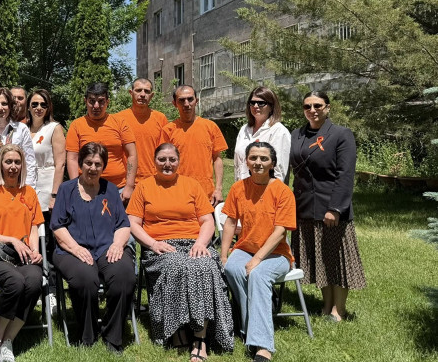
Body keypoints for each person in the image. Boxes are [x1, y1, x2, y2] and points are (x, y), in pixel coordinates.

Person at [127, 143, 233, 360]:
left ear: (178, 161)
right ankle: (177, 329)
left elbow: (207, 220)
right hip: (161, 246)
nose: (167, 164)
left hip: (194, 242)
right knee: (177, 265)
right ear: (154, 161)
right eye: (162, 159)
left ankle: (200, 338)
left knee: (204, 265)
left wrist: (201, 244)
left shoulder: (191, 185)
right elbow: (133, 223)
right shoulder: (144, 187)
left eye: (172, 160)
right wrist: (153, 244)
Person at [50, 142, 135, 354]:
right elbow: (57, 226)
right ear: (80, 164)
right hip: (71, 250)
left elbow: (123, 224)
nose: (93, 168)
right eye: (88, 163)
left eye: (98, 164)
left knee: (124, 276)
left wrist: (117, 244)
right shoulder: (66, 189)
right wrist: (75, 248)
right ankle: (88, 334)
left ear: (103, 166)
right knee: (85, 279)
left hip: (107, 247)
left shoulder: (111, 190)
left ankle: (113, 336)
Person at [289, 91, 366, 322]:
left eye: (318, 105)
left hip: (330, 207)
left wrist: (336, 208)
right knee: (318, 258)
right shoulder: (296, 134)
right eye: (307, 106)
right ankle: (326, 304)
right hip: (304, 206)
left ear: (328, 108)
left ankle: (338, 310)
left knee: (336, 259)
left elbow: (345, 174)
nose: (312, 110)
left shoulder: (341, 134)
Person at [221, 142, 296, 362]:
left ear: (273, 163)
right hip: (245, 248)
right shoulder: (238, 188)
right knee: (232, 269)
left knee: (258, 275)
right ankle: (248, 329)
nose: (258, 162)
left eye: (264, 158)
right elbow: (230, 222)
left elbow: (280, 232)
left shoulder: (283, 191)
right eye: (253, 158)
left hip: (277, 254)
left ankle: (263, 347)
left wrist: (257, 259)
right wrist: (224, 255)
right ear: (246, 161)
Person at [0, 144, 44, 362]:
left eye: (17, 162)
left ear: (22, 165)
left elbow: (34, 227)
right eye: (8, 162)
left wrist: (35, 251)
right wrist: (12, 239)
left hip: (24, 257)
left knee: (34, 282)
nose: (13, 166)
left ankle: (8, 341)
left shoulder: (29, 193)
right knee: (15, 282)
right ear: (0, 165)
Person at [65, 82, 137, 203]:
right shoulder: (77, 125)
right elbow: (72, 158)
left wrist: (129, 186)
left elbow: (132, 154)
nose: (96, 106)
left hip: (118, 189)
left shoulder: (120, 123)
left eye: (101, 101)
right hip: (86, 190)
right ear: (85, 101)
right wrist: (76, 188)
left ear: (107, 102)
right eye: (92, 101)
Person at [161, 85, 228, 205]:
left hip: (206, 194)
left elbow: (217, 159)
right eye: (181, 100)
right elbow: (163, 164)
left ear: (196, 101)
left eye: (190, 99)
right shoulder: (168, 130)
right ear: (174, 103)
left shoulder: (210, 127)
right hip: (178, 193)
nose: (186, 104)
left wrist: (218, 189)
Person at [115, 78, 168, 184]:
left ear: (151, 96)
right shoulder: (118, 119)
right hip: (126, 182)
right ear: (131, 93)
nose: (142, 94)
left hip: (154, 180)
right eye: (138, 90)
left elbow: (164, 151)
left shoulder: (160, 118)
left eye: (147, 91)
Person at [234, 87, 290, 182]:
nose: (256, 106)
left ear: (271, 107)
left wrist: (273, 190)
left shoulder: (279, 131)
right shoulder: (244, 129)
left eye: (261, 103)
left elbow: (279, 171)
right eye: (252, 103)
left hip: (265, 188)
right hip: (243, 187)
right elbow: (237, 165)